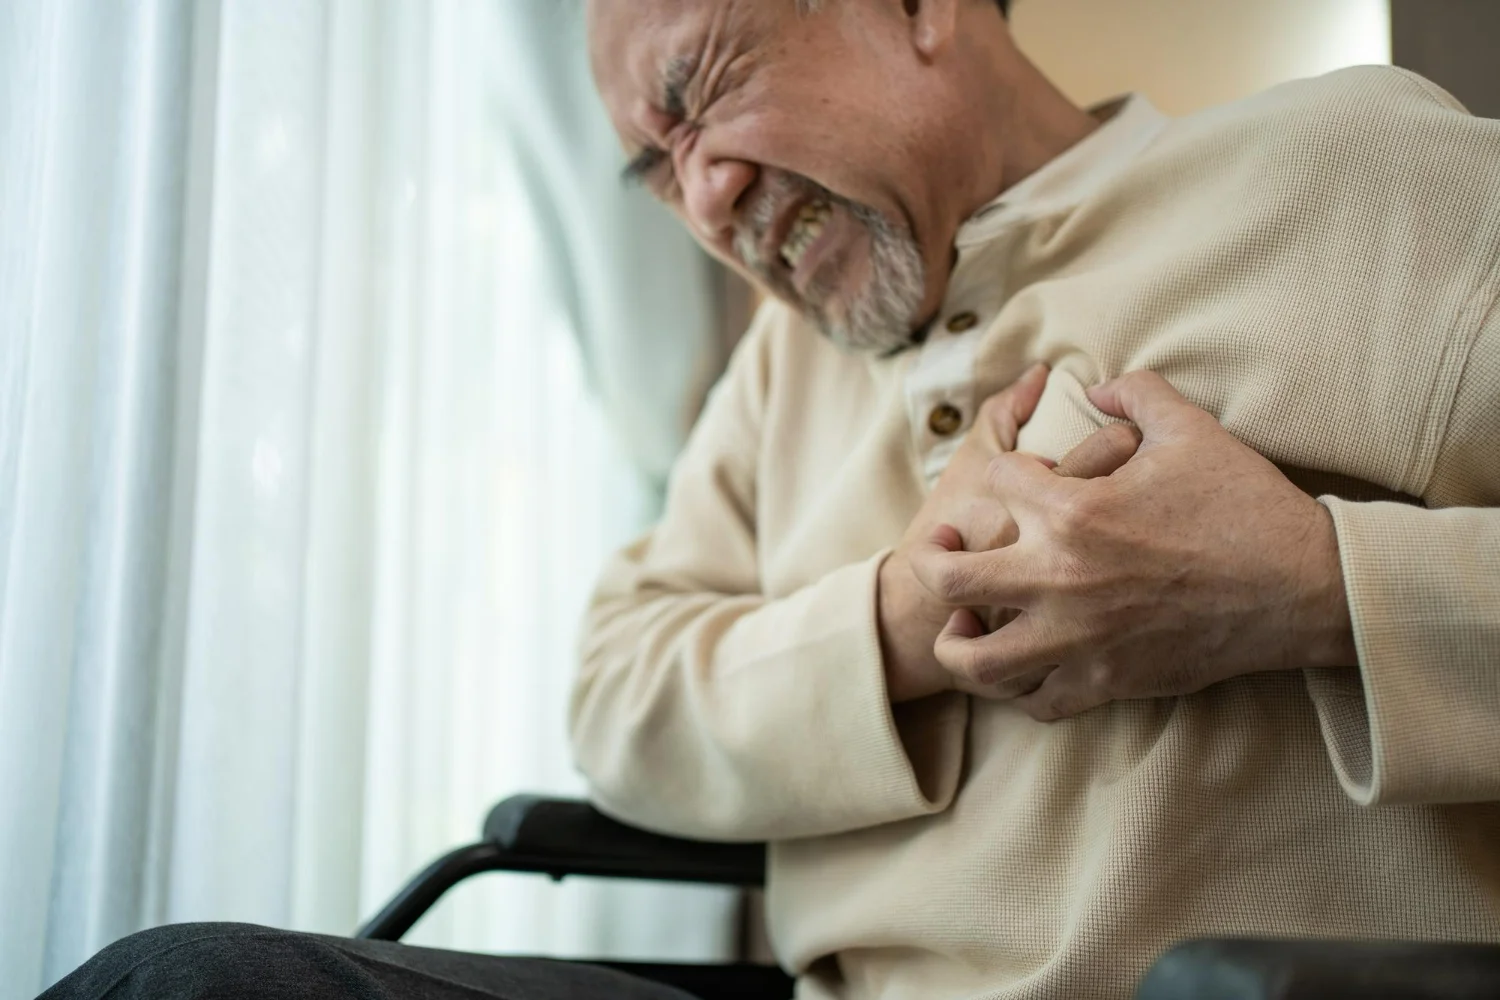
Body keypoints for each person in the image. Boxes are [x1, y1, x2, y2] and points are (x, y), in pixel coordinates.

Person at [44, 1, 1500, 998]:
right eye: (653, 168)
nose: (705, 201)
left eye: (705, 93)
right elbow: (619, 695)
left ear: (920, 5)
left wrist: (1311, 586)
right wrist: (901, 624)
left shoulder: (1359, 176)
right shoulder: (779, 377)